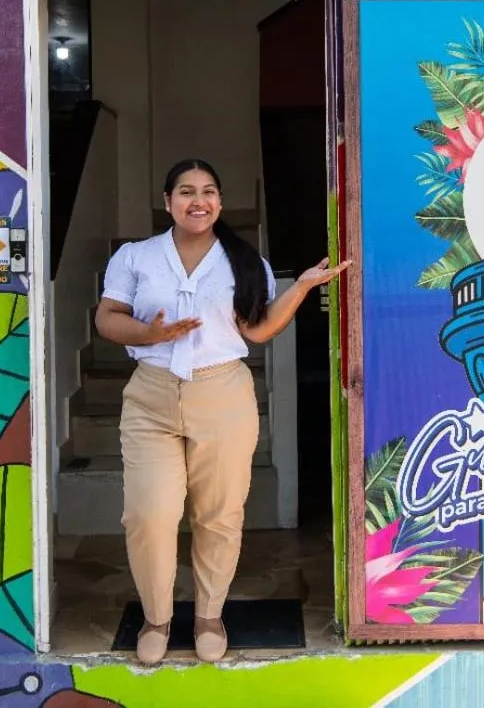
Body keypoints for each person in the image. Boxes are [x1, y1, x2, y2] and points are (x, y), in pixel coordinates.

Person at [94, 159, 350, 665]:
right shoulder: (135, 257)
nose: (198, 200)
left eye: (209, 191)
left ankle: (209, 615)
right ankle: (156, 618)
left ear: (219, 202)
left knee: (219, 515)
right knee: (150, 514)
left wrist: (300, 286)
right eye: (186, 191)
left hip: (223, 393)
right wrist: (151, 334)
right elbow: (107, 317)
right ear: (167, 202)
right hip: (151, 395)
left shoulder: (243, 259)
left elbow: (256, 331)